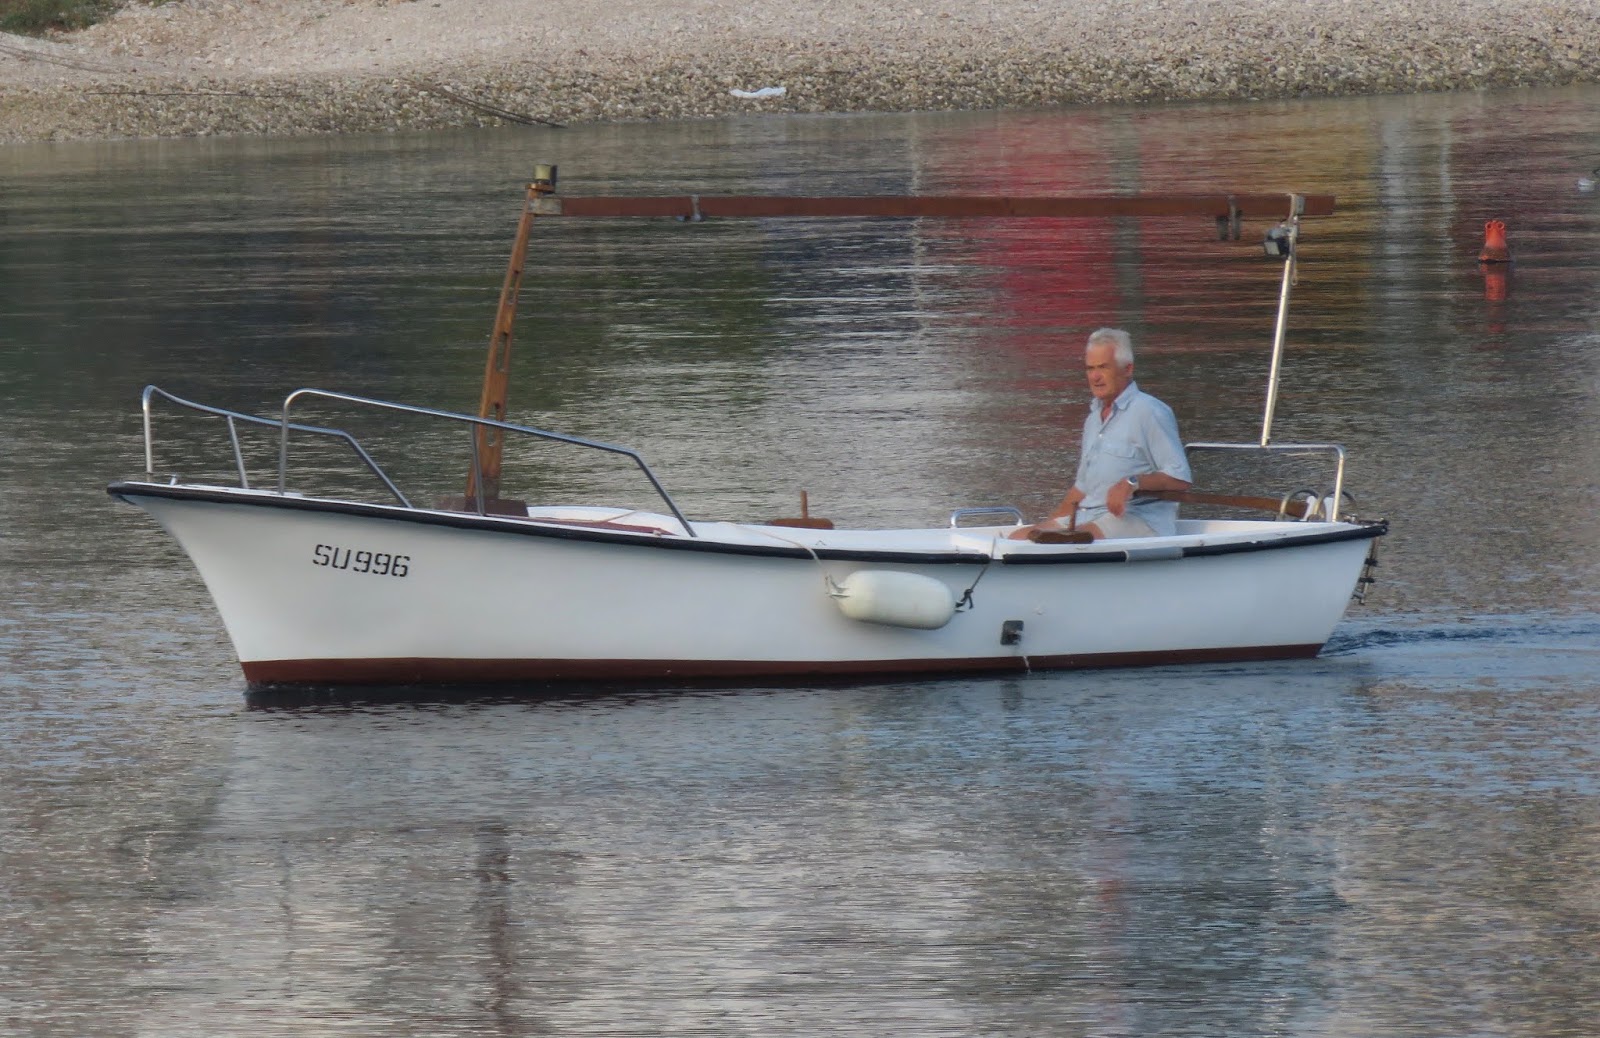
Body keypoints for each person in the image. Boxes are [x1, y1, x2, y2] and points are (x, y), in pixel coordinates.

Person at [1012, 327, 1192, 541]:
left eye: (1103, 367)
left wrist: (1132, 482)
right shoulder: (1093, 419)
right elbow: (1081, 489)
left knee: (1072, 540)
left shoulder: (1149, 411)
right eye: (1090, 368)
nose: (1095, 377)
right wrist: (1043, 528)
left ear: (1127, 369)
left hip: (1138, 519)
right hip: (1087, 516)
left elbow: (1180, 479)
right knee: (1019, 538)